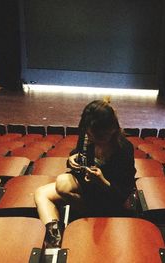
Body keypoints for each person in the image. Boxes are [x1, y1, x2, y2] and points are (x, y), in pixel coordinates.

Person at [34, 99, 136, 247]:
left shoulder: (124, 150)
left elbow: (123, 193)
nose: (94, 140)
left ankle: (90, 214)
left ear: (113, 129)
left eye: (100, 137)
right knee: (41, 193)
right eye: (90, 135)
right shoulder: (88, 135)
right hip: (87, 186)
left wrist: (102, 182)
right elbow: (78, 154)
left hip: (107, 197)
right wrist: (71, 159)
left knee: (62, 186)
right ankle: (54, 239)